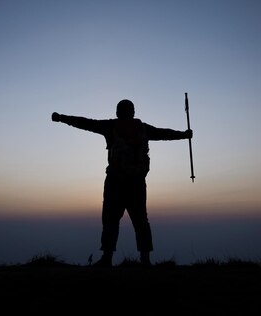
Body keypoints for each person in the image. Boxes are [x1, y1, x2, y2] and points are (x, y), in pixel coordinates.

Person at [51, 99, 192, 267]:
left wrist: (62, 118)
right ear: (133, 112)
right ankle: (145, 260)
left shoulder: (111, 127)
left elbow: (85, 123)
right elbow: (165, 134)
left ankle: (107, 258)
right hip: (136, 183)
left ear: (118, 112)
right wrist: (184, 135)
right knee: (140, 221)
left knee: (111, 220)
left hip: (115, 182)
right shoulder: (143, 129)